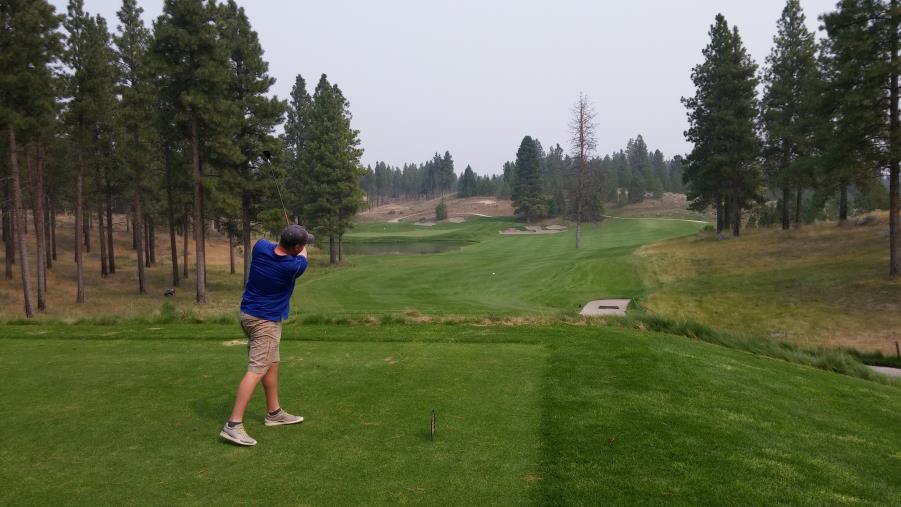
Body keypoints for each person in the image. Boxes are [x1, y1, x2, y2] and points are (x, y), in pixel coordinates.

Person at [219, 224, 314, 446]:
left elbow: (277, 246)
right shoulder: (294, 266)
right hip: (265, 322)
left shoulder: (260, 247)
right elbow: (303, 256)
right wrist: (301, 246)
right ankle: (233, 425)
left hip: (248, 315)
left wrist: (293, 239)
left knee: (272, 363)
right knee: (256, 370)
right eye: (303, 244)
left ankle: (274, 412)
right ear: (297, 247)